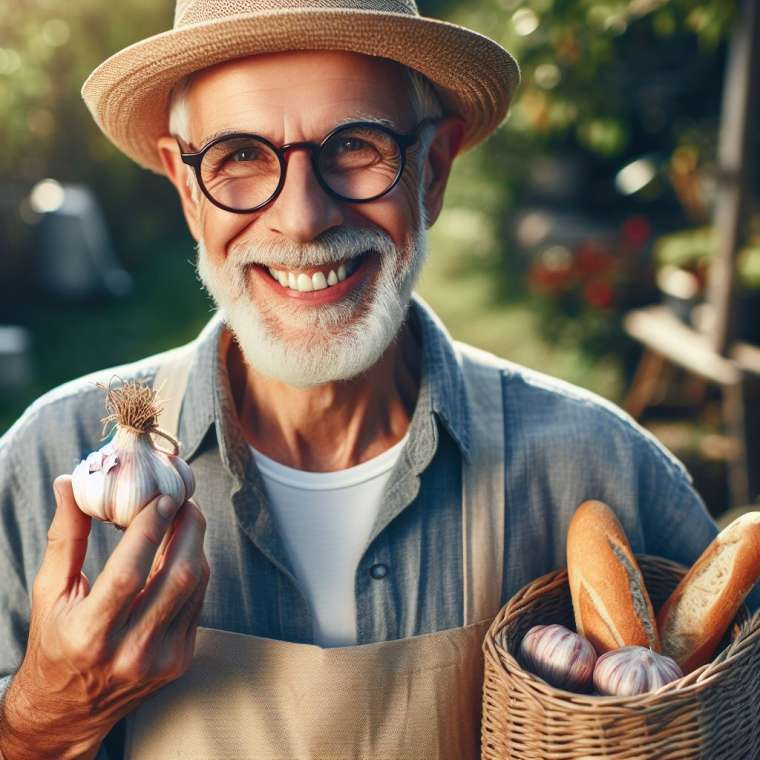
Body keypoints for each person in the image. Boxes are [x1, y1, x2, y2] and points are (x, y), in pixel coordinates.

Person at [0, 1, 754, 759]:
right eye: (239, 155)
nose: (302, 218)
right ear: (188, 188)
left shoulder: (597, 467)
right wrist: (42, 718)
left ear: (431, 170)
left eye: (355, 145)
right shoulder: (41, 465)